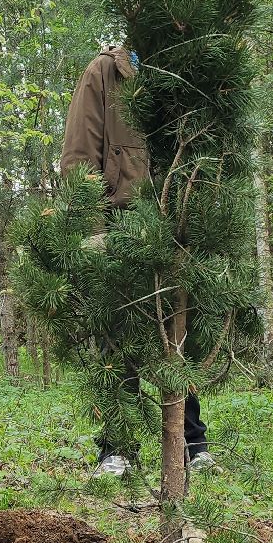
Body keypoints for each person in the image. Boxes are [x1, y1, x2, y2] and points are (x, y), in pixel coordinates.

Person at [58, 44, 212, 478]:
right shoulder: (106, 72)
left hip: (175, 221)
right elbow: (78, 152)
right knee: (118, 335)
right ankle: (116, 448)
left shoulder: (185, 70)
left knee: (176, 332)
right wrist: (91, 228)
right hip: (119, 219)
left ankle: (191, 441)